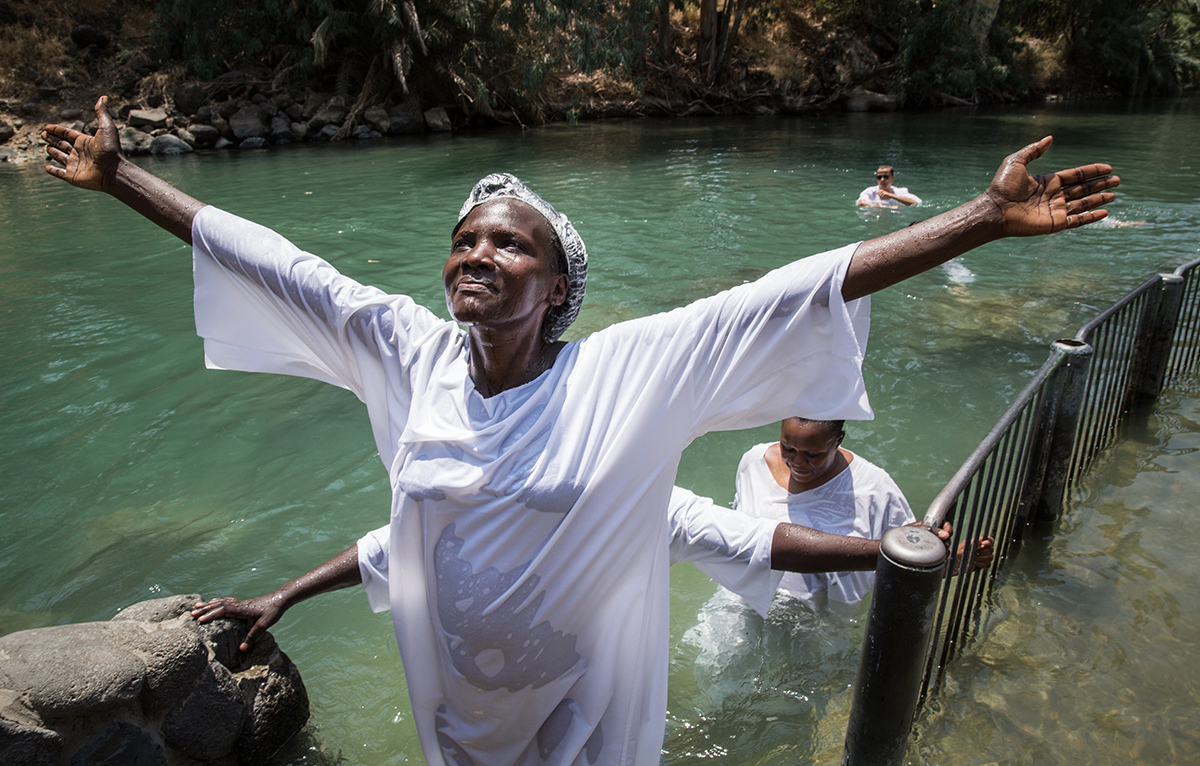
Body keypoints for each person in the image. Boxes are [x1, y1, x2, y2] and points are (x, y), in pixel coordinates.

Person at [41, 96, 1117, 766]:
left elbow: (794, 290)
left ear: (558, 285)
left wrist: (983, 218)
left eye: (509, 244)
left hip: (585, 712)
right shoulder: (406, 352)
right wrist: (119, 174)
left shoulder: (627, 371)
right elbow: (274, 263)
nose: (476, 251)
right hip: (456, 704)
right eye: (464, 238)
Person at [191, 486, 985, 649]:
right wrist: (282, 594)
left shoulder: (643, 499)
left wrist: (893, 554)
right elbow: (386, 547)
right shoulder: (492, 490)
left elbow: (762, 541)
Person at [735, 417, 990, 612]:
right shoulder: (753, 463)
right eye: (787, 448)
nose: (798, 462)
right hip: (742, 602)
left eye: (813, 454)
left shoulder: (873, 487)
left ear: (838, 440)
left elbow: (904, 558)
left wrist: (948, 562)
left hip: (819, 621)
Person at [857, 164, 922, 207]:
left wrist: (890, 195)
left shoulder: (900, 191)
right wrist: (887, 207)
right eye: (879, 177)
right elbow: (861, 203)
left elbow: (915, 203)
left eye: (885, 177)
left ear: (892, 177)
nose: (882, 180)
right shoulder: (871, 191)